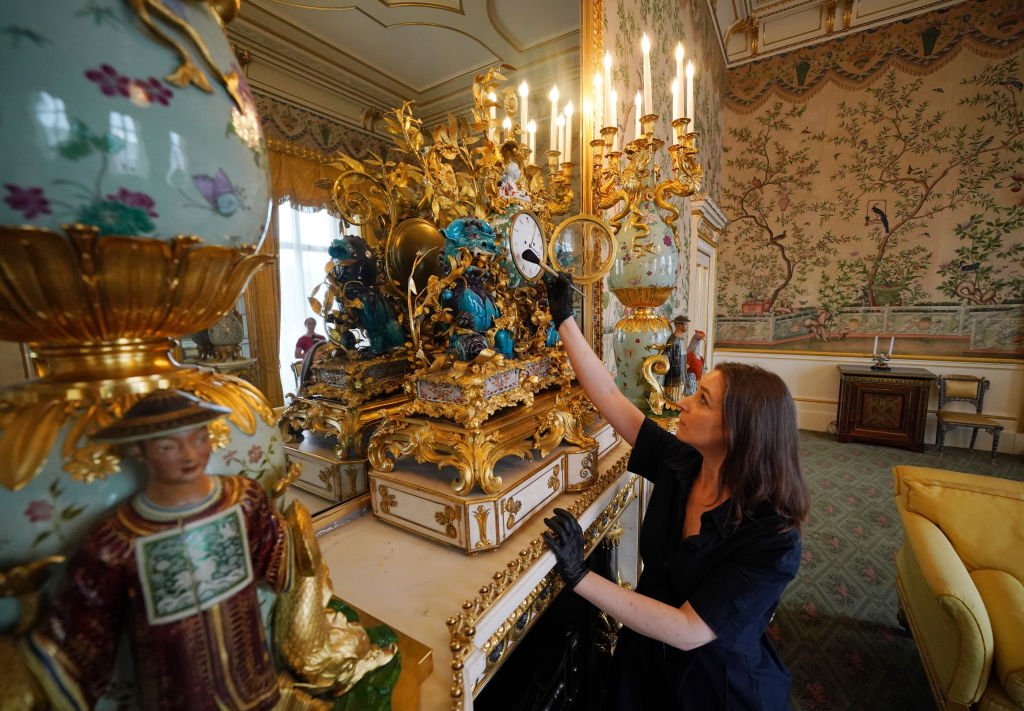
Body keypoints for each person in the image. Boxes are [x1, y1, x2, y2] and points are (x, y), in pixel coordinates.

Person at [542, 273, 810, 710]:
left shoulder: (774, 539)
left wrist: (580, 577)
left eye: (701, 399)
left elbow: (688, 630)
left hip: (711, 685)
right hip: (647, 656)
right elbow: (609, 395)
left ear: (737, 431)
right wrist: (565, 319)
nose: (682, 401)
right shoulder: (684, 462)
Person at [23, 390, 292, 710]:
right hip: (175, 682)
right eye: (168, 446)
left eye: (198, 439)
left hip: (249, 668)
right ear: (138, 450)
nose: (190, 456)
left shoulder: (243, 501)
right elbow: (86, 623)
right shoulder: (119, 538)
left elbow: (275, 558)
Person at [662, 314, 690, 401]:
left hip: (681, 369)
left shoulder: (681, 339)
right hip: (674, 370)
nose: (687, 327)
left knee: (681, 388)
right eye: (685, 324)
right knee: (674, 390)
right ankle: (673, 402)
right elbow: (667, 354)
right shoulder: (673, 340)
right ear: (678, 325)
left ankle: (678, 401)